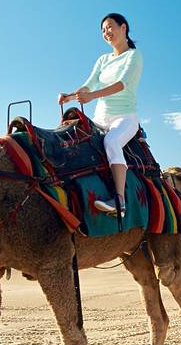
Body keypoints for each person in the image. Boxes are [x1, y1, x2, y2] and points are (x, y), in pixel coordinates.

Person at [58, 13, 143, 217]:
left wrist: (92, 95)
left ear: (124, 28)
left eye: (110, 27)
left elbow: (121, 84)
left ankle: (120, 201)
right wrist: (69, 96)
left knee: (112, 142)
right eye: (103, 30)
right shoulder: (103, 59)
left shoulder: (133, 56)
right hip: (101, 118)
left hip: (125, 118)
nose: (106, 32)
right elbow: (90, 83)